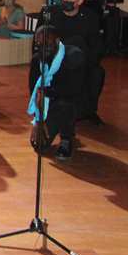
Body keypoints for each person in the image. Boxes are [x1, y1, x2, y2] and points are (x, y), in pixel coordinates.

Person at [46, 0, 104, 124]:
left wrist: (86, 61)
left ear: (80, 1)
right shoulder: (50, 14)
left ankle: (87, 111)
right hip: (56, 58)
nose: (65, 0)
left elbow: (96, 46)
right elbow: (42, 41)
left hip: (81, 60)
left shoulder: (90, 17)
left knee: (97, 73)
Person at [28, 25, 85, 161]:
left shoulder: (72, 56)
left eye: (46, 43)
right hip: (50, 103)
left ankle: (66, 138)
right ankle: (54, 126)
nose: (42, 48)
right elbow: (34, 92)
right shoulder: (37, 60)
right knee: (39, 145)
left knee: (65, 105)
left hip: (70, 102)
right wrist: (38, 121)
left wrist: (46, 92)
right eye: (39, 44)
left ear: (57, 41)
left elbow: (73, 90)